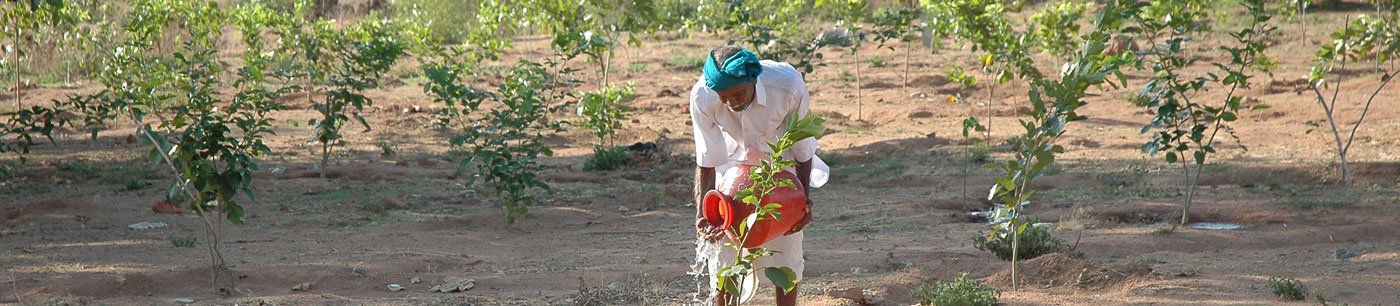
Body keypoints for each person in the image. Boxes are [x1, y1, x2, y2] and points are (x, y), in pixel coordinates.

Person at [690, 45, 830, 306]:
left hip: (778, 168)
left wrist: (803, 202)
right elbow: (706, 159)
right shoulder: (702, 96)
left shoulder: (786, 84)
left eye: (739, 93)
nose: (732, 103)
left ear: (753, 79)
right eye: (724, 97)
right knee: (724, 261)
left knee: (786, 258)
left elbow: (802, 145)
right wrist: (703, 213)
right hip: (729, 173)